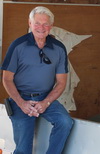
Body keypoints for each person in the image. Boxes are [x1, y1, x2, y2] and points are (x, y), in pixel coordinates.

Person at [1, 6, 74, 154]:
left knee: (65, 122)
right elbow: (7, 79)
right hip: (20, 98)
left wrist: (46, 102)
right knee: (23, 148)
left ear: (51, 26)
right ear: (29, 23)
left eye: (45, 24)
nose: (41, 27)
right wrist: (21, 103)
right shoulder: (18, 45)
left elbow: (61, 82)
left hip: (46, 97)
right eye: (37, 23)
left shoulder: (59, 48)